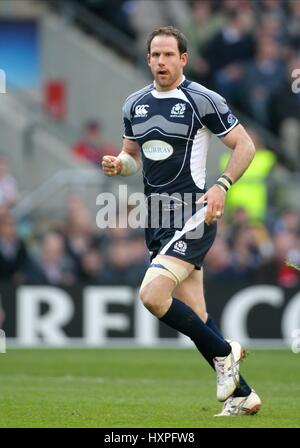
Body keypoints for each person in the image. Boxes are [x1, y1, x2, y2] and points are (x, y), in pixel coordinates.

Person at [102, 26, 261, 416]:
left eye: (168, 55)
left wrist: (222, 184)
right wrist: (118, 164)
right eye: (155, 55)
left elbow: (246, 144)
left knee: (152, 295)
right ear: (147, 59)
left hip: (193, 215)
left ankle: (227, 353)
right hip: (155, 220)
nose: (161, 62)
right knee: (199, 316)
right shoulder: (134, 104)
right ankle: (243, 394)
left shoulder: (201, 99)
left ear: (183, 59)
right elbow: (133, 157)